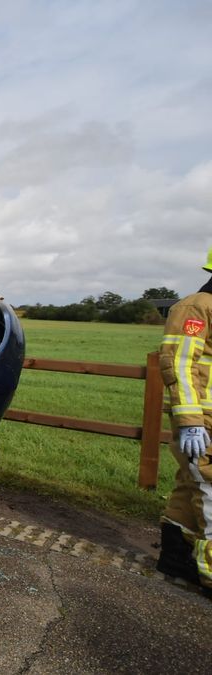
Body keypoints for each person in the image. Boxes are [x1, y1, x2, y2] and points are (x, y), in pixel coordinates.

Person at [157, 246, 212, 595]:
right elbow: (179, 364)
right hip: (202, 421)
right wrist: (191, 421)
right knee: (210, 490)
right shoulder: (197, 307)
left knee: (192, 487)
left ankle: (176, 558)